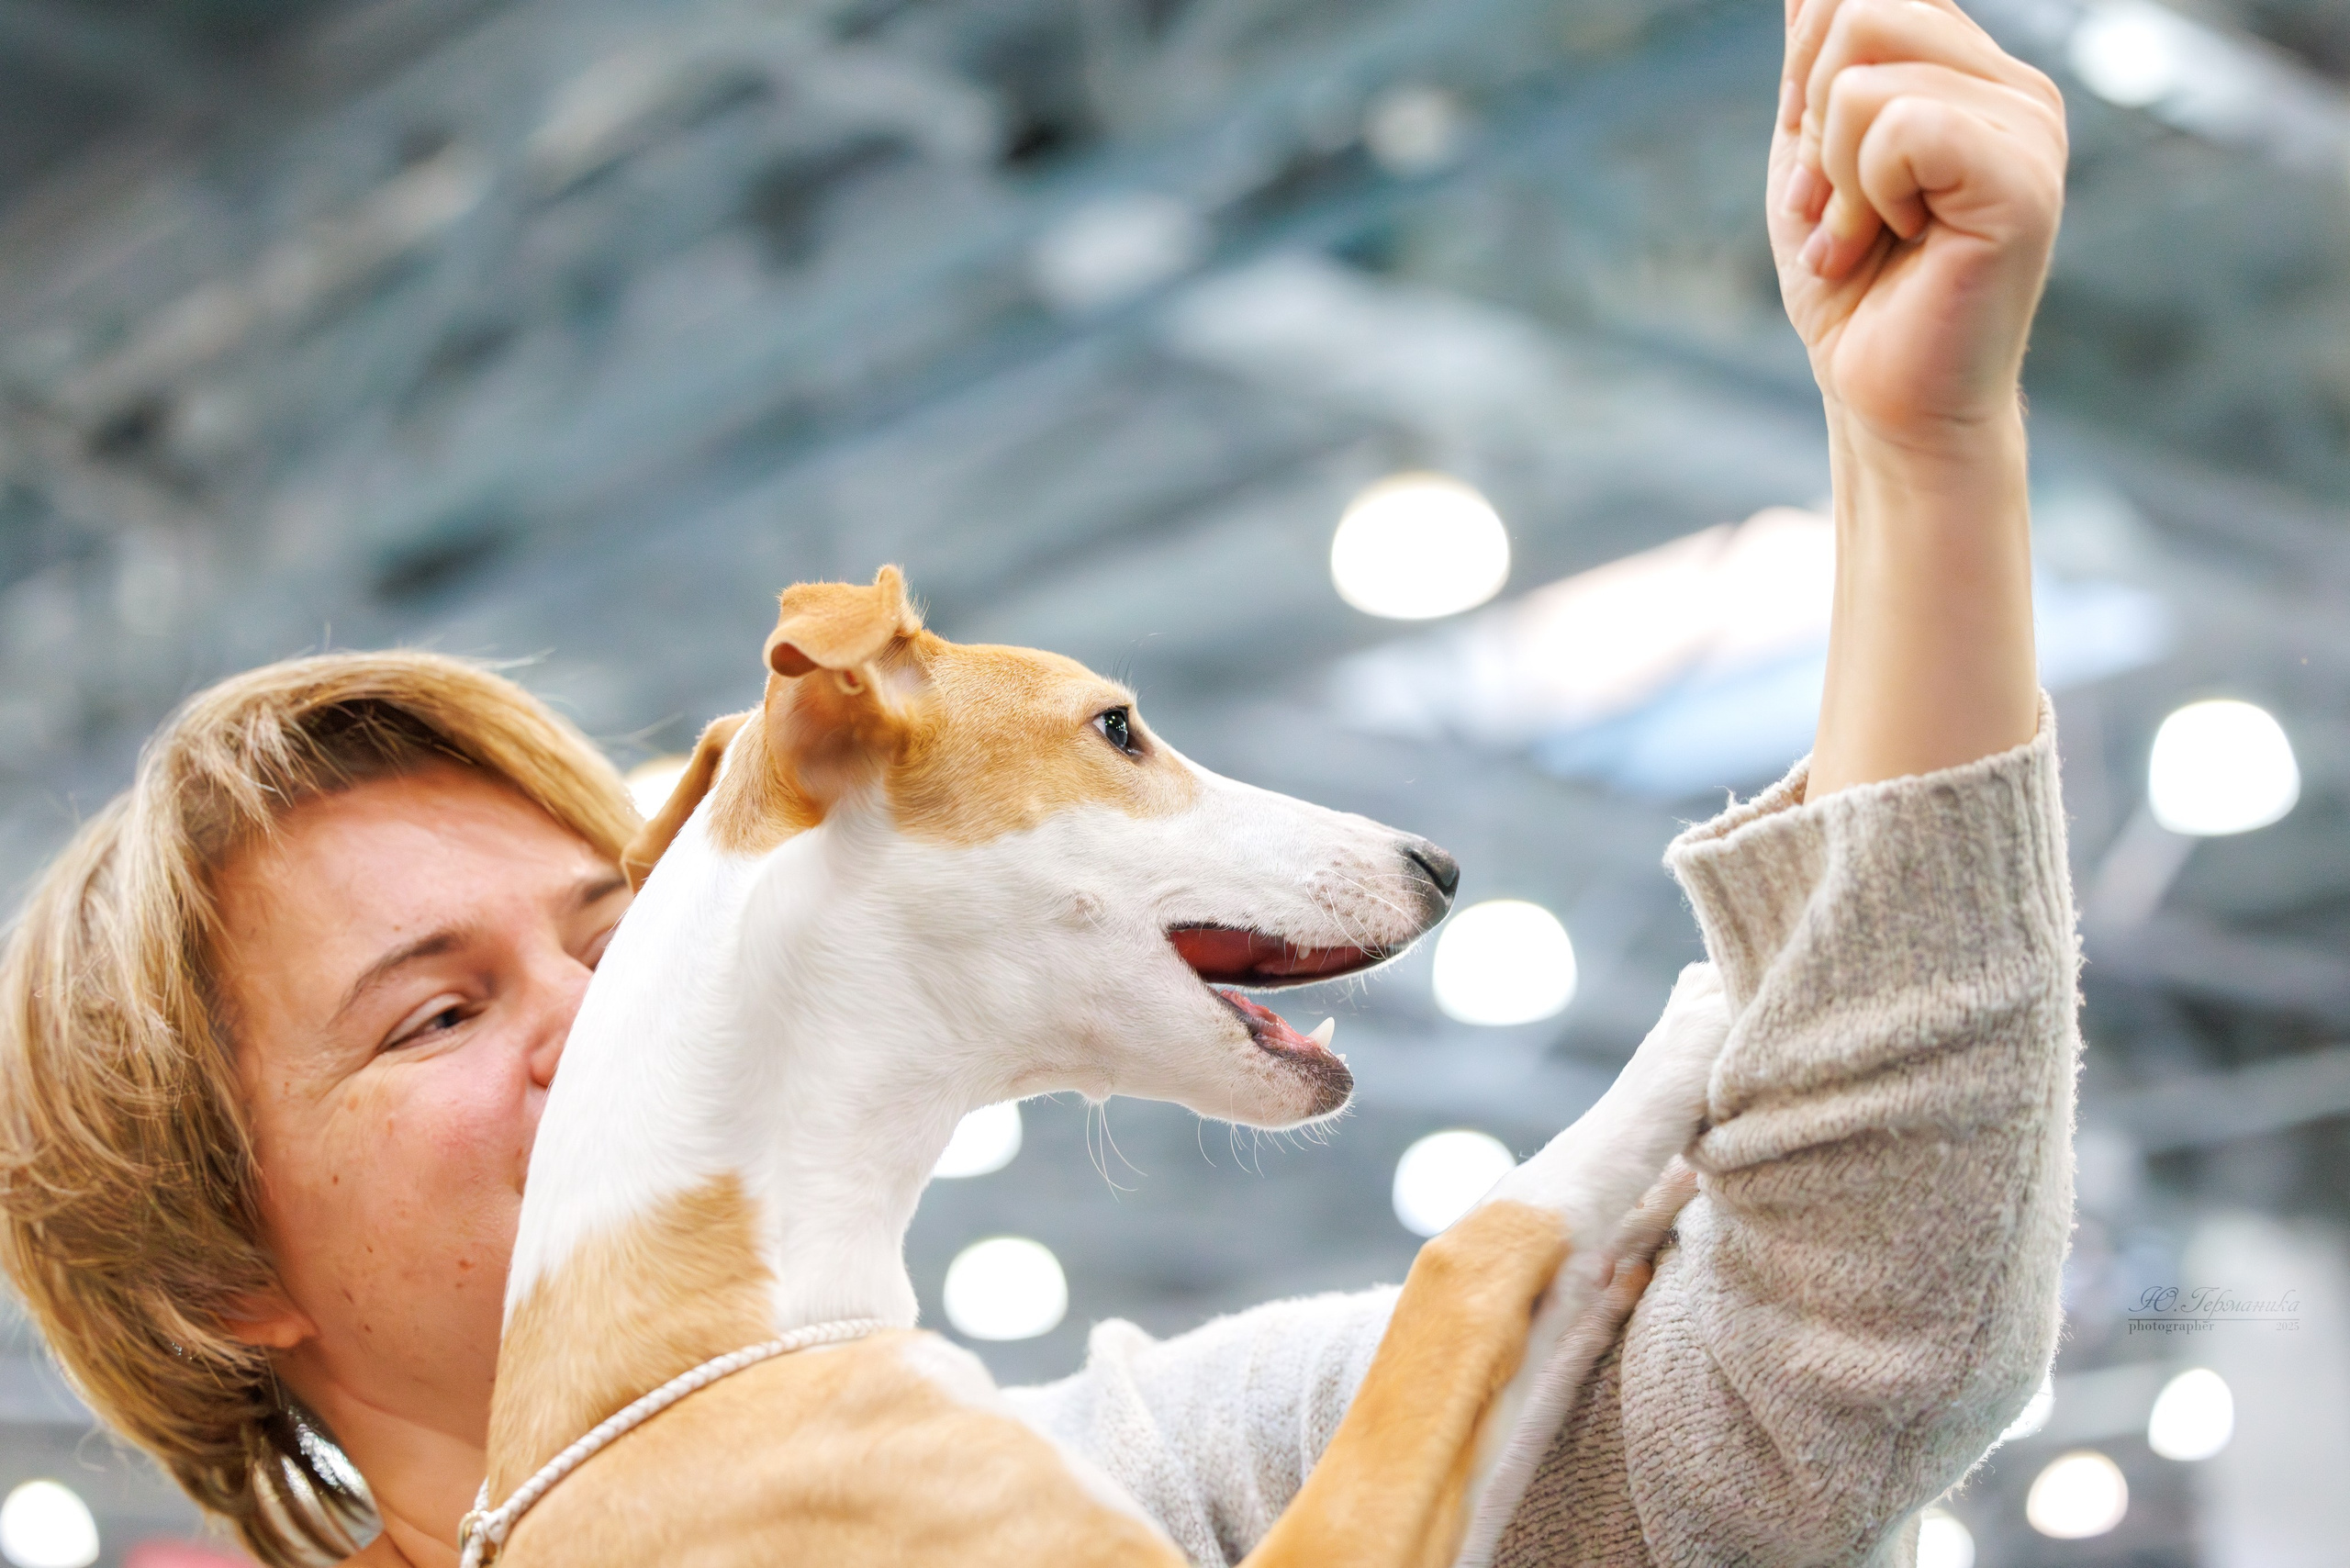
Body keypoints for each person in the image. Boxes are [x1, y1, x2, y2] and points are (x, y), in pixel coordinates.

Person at [0, 2, 2075, 1563]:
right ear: (218, 1276)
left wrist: (1922, 465)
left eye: (611, 929)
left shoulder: (1129, 1470)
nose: (591, 1020)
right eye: (435, 1011)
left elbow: (1825, 1371)